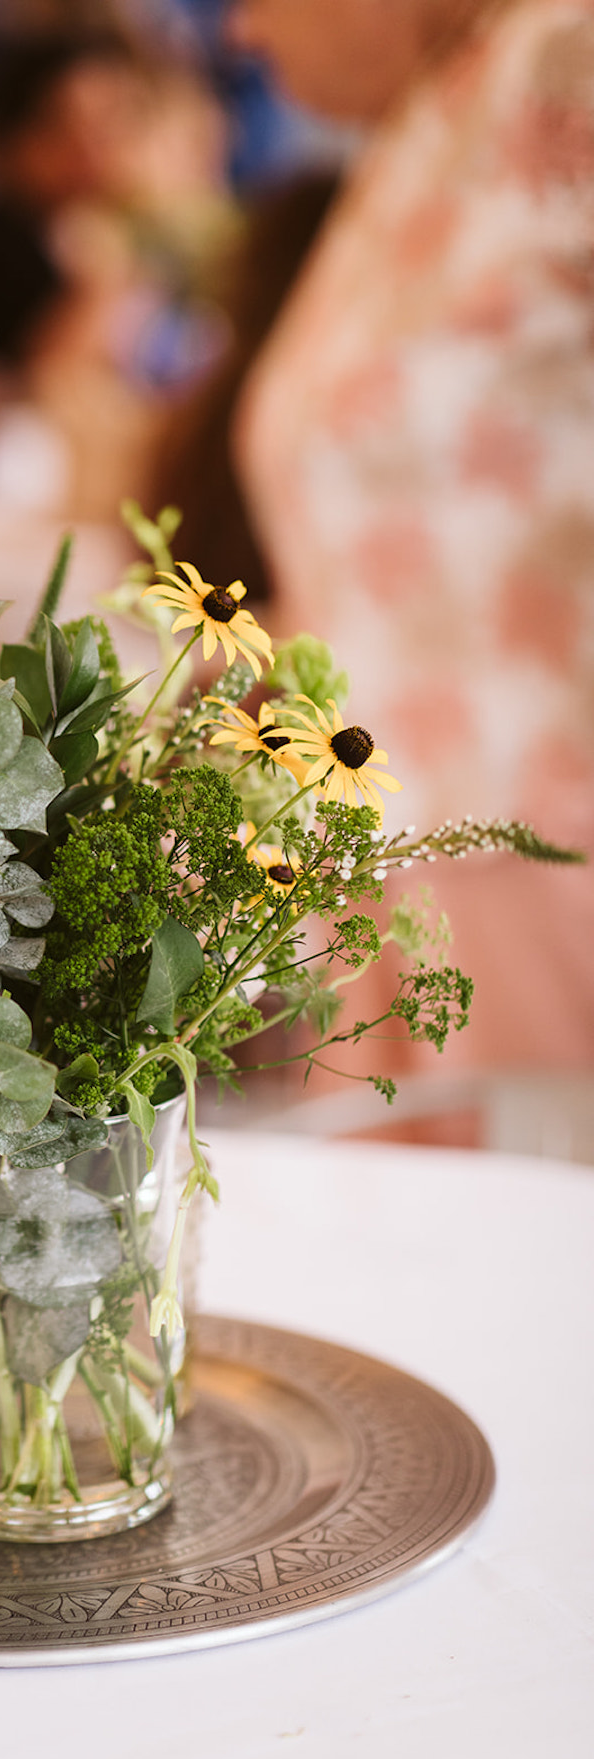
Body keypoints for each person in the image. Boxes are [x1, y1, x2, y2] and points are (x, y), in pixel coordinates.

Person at [225, 0, 594, 1091]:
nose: (242, 33)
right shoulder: (438, 118)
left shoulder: (560, 58)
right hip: (403, 846)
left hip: (536, 831)